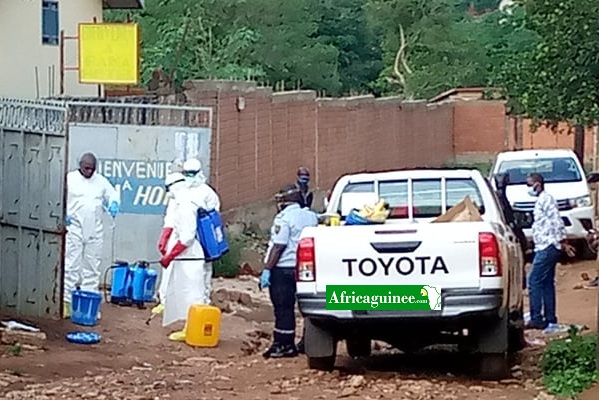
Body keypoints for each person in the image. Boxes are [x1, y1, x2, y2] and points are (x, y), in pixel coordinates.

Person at [260, 184, 319, 358]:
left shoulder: (283, 218)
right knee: (307, 306)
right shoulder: (310, 216)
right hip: (305, 267)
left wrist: (267, 269)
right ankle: (309, 342)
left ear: (286, 201)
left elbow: (278, 246)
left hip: (283, 268)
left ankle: (284, 344)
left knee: (283, 307)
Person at [64, 152, 120, 318]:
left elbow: (112, 193)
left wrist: (113, 203)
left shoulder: (100, 181)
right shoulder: (70, 179)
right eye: (86, 168)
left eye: (92, 169)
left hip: (94, 230)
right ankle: (66, 302)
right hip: (74, 227)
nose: (89, 171)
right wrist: (62, 215)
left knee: (92, 267)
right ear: (80, 165)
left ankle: (88, 305)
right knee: (70, 266)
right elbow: (58, 196)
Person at [159, 172, 207, 342]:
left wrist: (170, 255)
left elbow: (187, 237)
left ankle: (193, 328)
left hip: (190, 253)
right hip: (185, 253)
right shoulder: (180, 203)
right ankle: (189, 327)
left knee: (192, 292)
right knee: (183, 289)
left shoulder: (186, 205)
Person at [525, 172, 574, 333]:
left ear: (537, 184)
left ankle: (537, 318)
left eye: (529, 184)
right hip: (545, 245)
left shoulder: (546, 200)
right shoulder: (541, 201)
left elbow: (556, 221)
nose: (528, 188)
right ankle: (549, 317)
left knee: (534, 281)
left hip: (548, 246)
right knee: (546, 283)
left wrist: (562, 241)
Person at [181, 158, 222, 304]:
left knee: (204, 270)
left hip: (203, 238)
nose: (189, 177)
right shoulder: (182, 190)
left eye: (191, 173)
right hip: (186, 238)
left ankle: (204, 301)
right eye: (186, 173)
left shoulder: (207, 193)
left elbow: (214, 218)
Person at [152, 172, 182, 316]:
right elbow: (169, 221)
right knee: (168, 271)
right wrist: (164, 238)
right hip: (175, 238)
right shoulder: (174, 200)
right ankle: (164, 301)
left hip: (185, 241)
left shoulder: (188, 199)